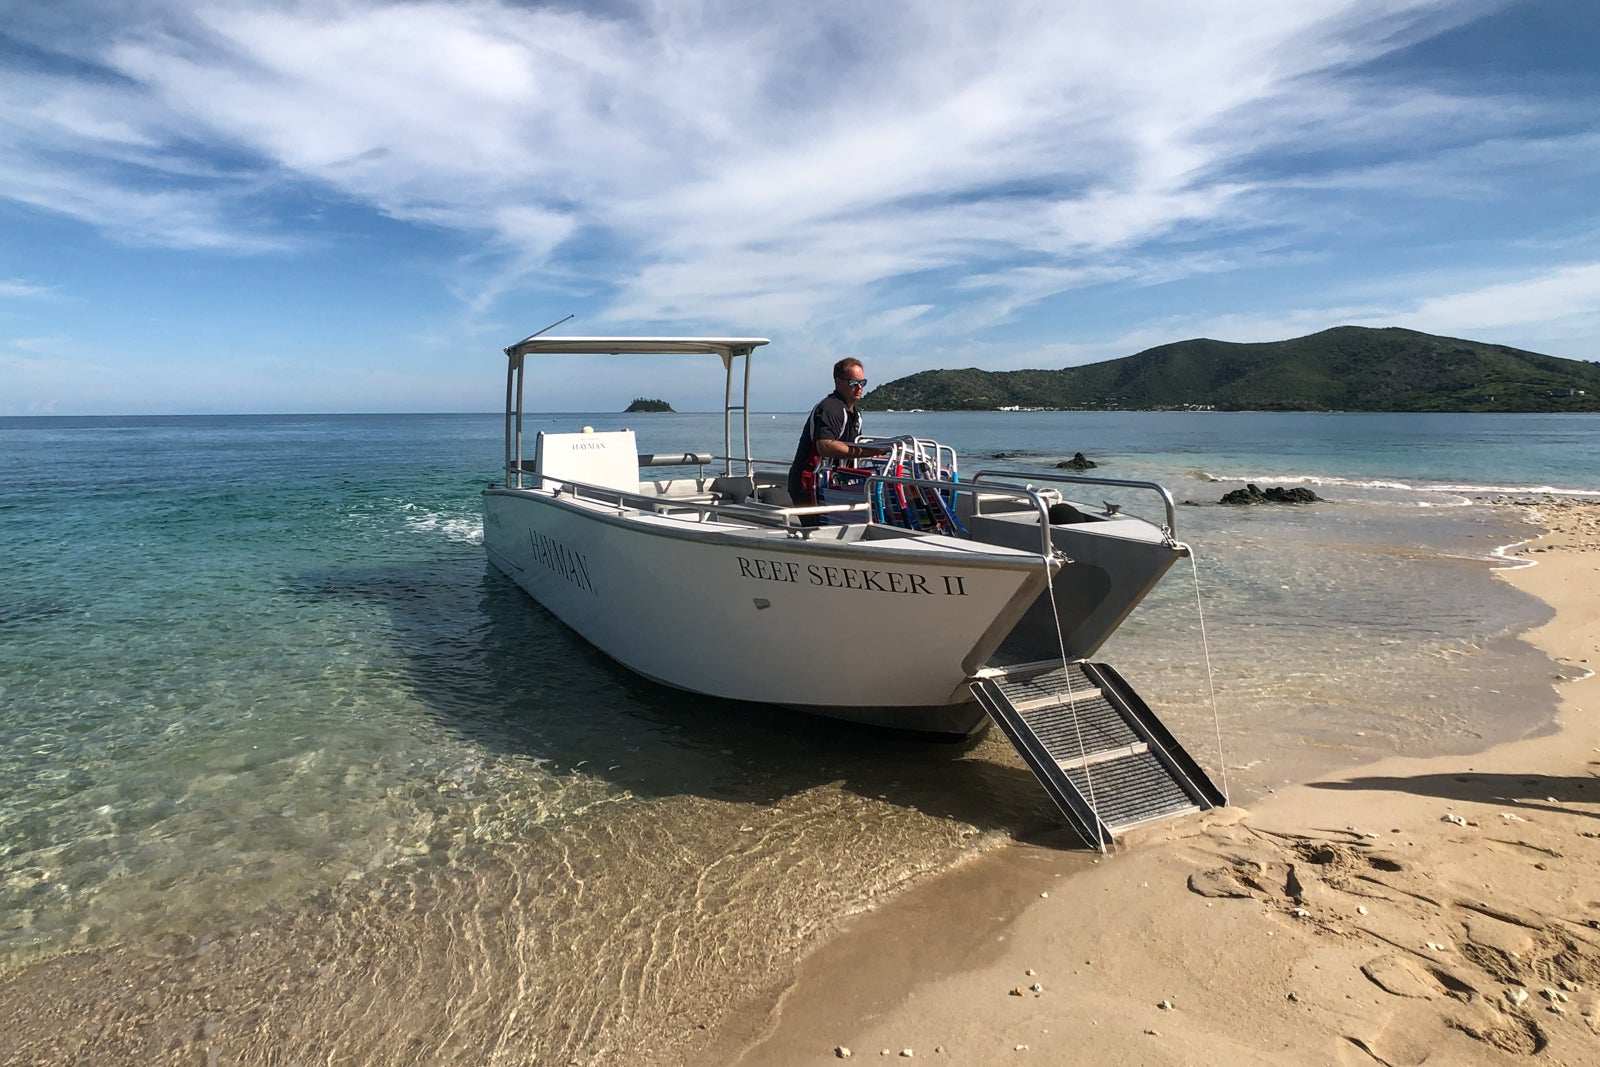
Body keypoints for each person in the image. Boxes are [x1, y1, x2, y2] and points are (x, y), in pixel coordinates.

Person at [787, 357, 885, 526]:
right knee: (818, 530)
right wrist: (867, 451)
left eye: (863, 382)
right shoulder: (832, 409)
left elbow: (852, 447)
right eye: (854, 382)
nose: (859, 387)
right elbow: (825, 445)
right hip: (808, 484)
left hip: (831, 483)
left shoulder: (854, 414)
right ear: (838, 382)